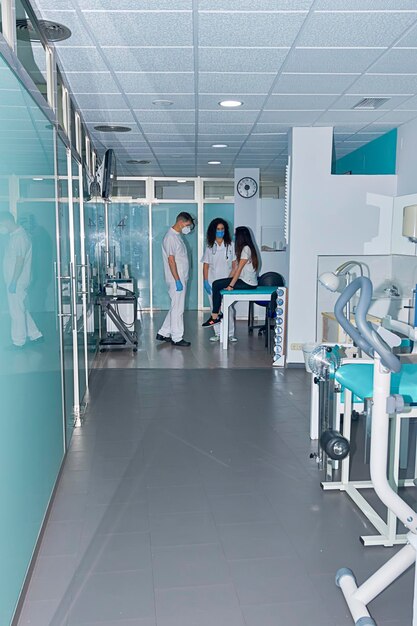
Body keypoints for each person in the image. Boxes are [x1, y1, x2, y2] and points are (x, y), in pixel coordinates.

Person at [0, 211, 43, 348]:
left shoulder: (19, 237)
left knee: (16, 311)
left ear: (6, 222)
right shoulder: (16, 236)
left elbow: (20, 261)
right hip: (16, 280)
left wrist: (13, 281)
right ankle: (35, 334)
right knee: (21, 308)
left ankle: (18, 341)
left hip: (16, 281)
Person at [202, 226, 258, 328]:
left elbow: (239, 269)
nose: (234, 236)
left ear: (241, 236)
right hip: (246, 280)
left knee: (216, 284)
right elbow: (236, 269)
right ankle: (216, 315)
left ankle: (214, 317)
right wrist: (228, 281)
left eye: (236, 234)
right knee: (217, 284)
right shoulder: (246, 248)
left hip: (248, 282)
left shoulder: (246, 249)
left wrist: (230, 285)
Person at [156, 211, 195, 347]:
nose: (188, 227)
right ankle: (177, 337)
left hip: (180, 278)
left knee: (175, 306)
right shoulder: (170, 237)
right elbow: (171, 261)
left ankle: (164, 332)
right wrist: (177, 280)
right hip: (175, 279)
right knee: (178, 309)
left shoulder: (177, 236)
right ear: (180, 222)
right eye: (187, 224)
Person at [202, 218, 237, 342]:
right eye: (218, 229)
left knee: (228, 308)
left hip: (226, 281)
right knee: (214, 308)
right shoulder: (210, 246)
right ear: (213, 230)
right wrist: (205, 281)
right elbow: (205, 265)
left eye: (222, 229)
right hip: (212, 281)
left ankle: (230, 333)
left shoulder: (231, 245)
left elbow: (234, 266)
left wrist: (229, 281)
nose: (220, 231)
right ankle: (218, 333)